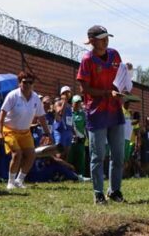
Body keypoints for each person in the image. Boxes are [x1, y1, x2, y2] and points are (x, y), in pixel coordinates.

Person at [76, 25, 126, 205]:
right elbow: (85, 88)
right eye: (102, 38)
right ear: (91, 41)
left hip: (115, 110)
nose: (106, 41)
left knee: (118, 154)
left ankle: (115, 190)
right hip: (96, 112)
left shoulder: (115, 55)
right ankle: (98, 193)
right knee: (98, 155)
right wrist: (105, 93)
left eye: (107, 38)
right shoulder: (87, 60)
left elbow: (121, 78)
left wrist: (123, 89)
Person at [0, 72, 51, 190]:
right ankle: (10, 182)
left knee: (31, 155)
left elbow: (41, 116)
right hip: (9, 130)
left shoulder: (36, 97)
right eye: (24, 82)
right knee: (17, 154)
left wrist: (47, 133)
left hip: (25, 132)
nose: (27, 85)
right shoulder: (13, 95)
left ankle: (19, 180)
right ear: (19, 83)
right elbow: (2, 114)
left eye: (30, 82)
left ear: (33, 84)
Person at [52, 86, 74, 158]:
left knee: (66, 154)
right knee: (59, 154)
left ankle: (63, 169)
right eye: (66, 93)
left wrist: (73, 131)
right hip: (60, 131)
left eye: (69, 93)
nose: (68, 95)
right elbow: (60, 113)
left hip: (68, 132)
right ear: (62, 94)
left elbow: (70, 119)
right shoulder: (58, 103)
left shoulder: (69, 106)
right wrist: (64, 101)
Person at [68, 94, 88, 176]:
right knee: (70, 158)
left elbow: (86, 126)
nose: (78, 104)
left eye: (79, 102)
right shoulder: (69, 113)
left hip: (80, 140)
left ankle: (81, 175)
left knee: (80, 159)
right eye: (76, 102)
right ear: (72, 103)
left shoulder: (83, 114)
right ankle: (70, 175)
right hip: (71, 140)